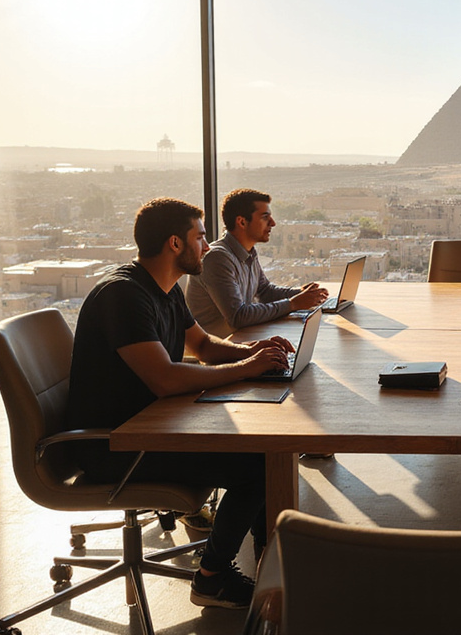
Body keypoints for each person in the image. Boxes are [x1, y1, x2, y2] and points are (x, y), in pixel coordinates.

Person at [68, 197, 297, 609]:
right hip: (115, 445)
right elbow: (165, 378)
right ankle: (212, 580)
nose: (207, 247)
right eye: (201, 237)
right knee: (260, 465)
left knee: (265, 447)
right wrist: (247, 368)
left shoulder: (164, 288)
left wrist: (254, 352)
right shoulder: (125, 295)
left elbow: (205, 346)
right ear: (176, 243)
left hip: (150, 425)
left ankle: (270, 565)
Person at [185, 188, 329, 338]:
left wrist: (305, 295)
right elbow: (238, 317)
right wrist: (293, 304)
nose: (273, 223)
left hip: (243, 338)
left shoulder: (248, 252)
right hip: (219, 349)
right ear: (241, 222)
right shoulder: (217, 258)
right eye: (265, 217)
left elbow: (265, 291)